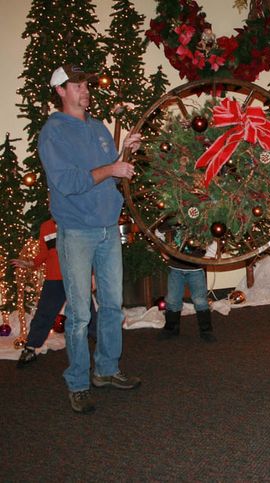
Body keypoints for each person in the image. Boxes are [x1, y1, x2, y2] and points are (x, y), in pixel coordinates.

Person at [38, 64, 142, 414]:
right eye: (77, 85)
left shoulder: (97, 128)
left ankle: (107, 370)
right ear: (60, 91)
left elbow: (109, 174)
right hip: (77, 231)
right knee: (81, 313)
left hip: (107, 228)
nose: (85, 90)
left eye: (85, 84)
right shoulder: (53, 133)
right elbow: (68, 182)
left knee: (113, 306)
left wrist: (124, 152)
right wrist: (111, 168)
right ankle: (78, 382)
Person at [11, 218, 97, 368]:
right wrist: (31, 263)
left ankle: (103, 345)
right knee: (44, 313)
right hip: (54, 279)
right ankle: (30, 348)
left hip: (76, 277)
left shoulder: (78, 222)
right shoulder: (46, 226)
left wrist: (92, 275)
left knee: (88, 313)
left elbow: (88, 252)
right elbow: (44, 253)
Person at [158, 241, 215, 342]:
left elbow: (213, 237)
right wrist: (163, 250)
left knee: (200, 300)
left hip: (196, 270)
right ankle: (171, 328)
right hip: (175, 268)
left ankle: (206, 330)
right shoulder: (173, 224)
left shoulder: (201, 226)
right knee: (172, 299)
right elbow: (158, 233)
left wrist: (209, 255)